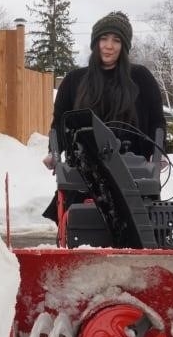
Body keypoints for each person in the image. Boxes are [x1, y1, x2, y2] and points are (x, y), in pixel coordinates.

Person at [42, 11, 166, 223]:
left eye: (116, 40)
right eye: (104, 38)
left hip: (132, 170)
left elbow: (157, 121)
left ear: (124, 47)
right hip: (83, 170)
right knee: (77, 223)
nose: (109, 46)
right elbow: (60, 123)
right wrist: (54, 153)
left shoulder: (140, 78)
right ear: (95, 42)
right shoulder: (74, 81)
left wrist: (159, 154)